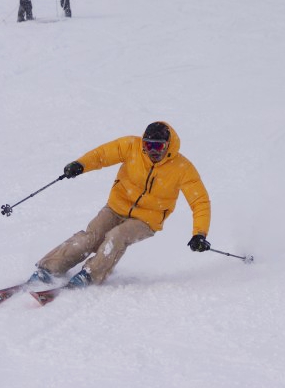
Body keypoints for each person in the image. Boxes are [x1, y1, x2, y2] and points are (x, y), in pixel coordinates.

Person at [27, 122, 212, 289]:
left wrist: (199, 234)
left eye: (159, 146)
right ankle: (49, 268)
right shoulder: (131, 146)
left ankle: (91, 275)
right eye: (148, 145)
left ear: (168, 145)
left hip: (147, 219)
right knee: (91, 237)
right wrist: (80, 164)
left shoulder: (182, 168)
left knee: (117, 237)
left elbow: (200, 201)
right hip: (116, 207)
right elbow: (102, 155)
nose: (153, 150)